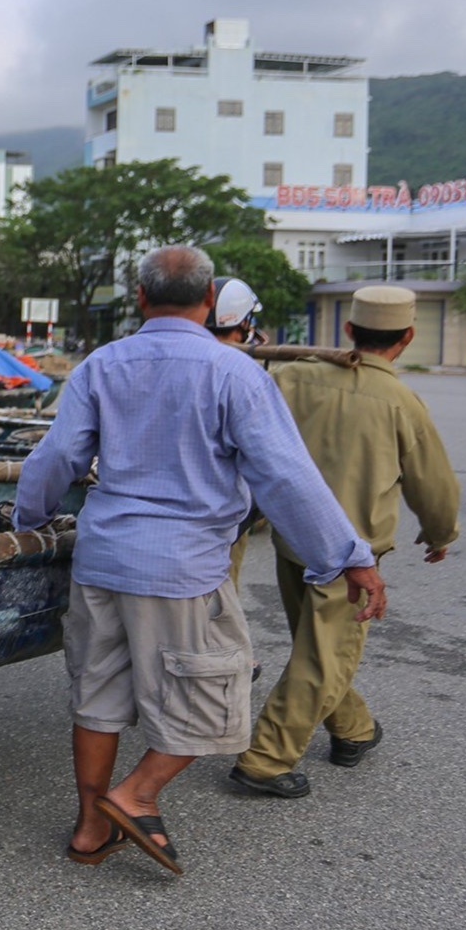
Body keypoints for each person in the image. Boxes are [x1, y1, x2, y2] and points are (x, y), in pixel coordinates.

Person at [13, 245, 386, 876]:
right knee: (218, 695)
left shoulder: (102, 365)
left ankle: (89, 830)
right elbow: (285, 477)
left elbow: (57, 459)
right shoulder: (236, 372)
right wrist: (348, 557)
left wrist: (27, 518)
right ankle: (136, 794)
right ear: (212, 300)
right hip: (182, 571)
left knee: (98, 699)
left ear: (140, 298)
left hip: (102, 562)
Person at [229, 285, 460, 798]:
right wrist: (440, 534)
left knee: (320, 648)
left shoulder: (292, 376)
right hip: (352, 554)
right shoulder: (402, 401)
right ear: (407, 339)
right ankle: (266, 760)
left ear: (350, 330)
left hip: (293, 537)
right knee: (327, 654)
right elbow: (434, 483)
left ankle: (352, 728)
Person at [205, 276, 268, 679]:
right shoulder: (246, 368)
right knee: (221, 580)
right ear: (241, 321)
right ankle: (224, 654)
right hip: (226, 505)